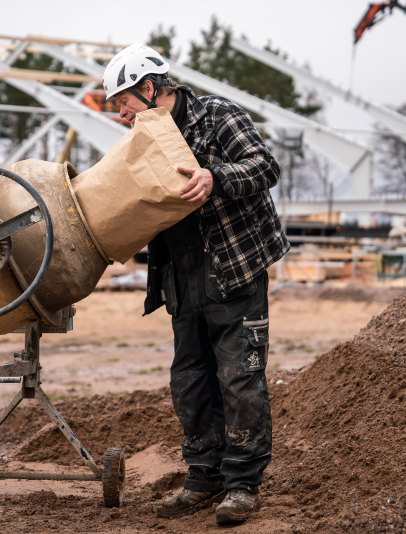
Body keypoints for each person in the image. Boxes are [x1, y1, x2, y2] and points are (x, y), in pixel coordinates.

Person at [103, 44, 289, 525]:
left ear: (148, 88)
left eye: (122, 100)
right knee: (190, 382)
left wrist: (215, 177)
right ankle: (203, 476)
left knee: (239, 379)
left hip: (234, 269)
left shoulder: (217, 116)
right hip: (182, 278)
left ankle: (242, 484)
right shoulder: (142, 139)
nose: (119, 113)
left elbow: (266, 166)